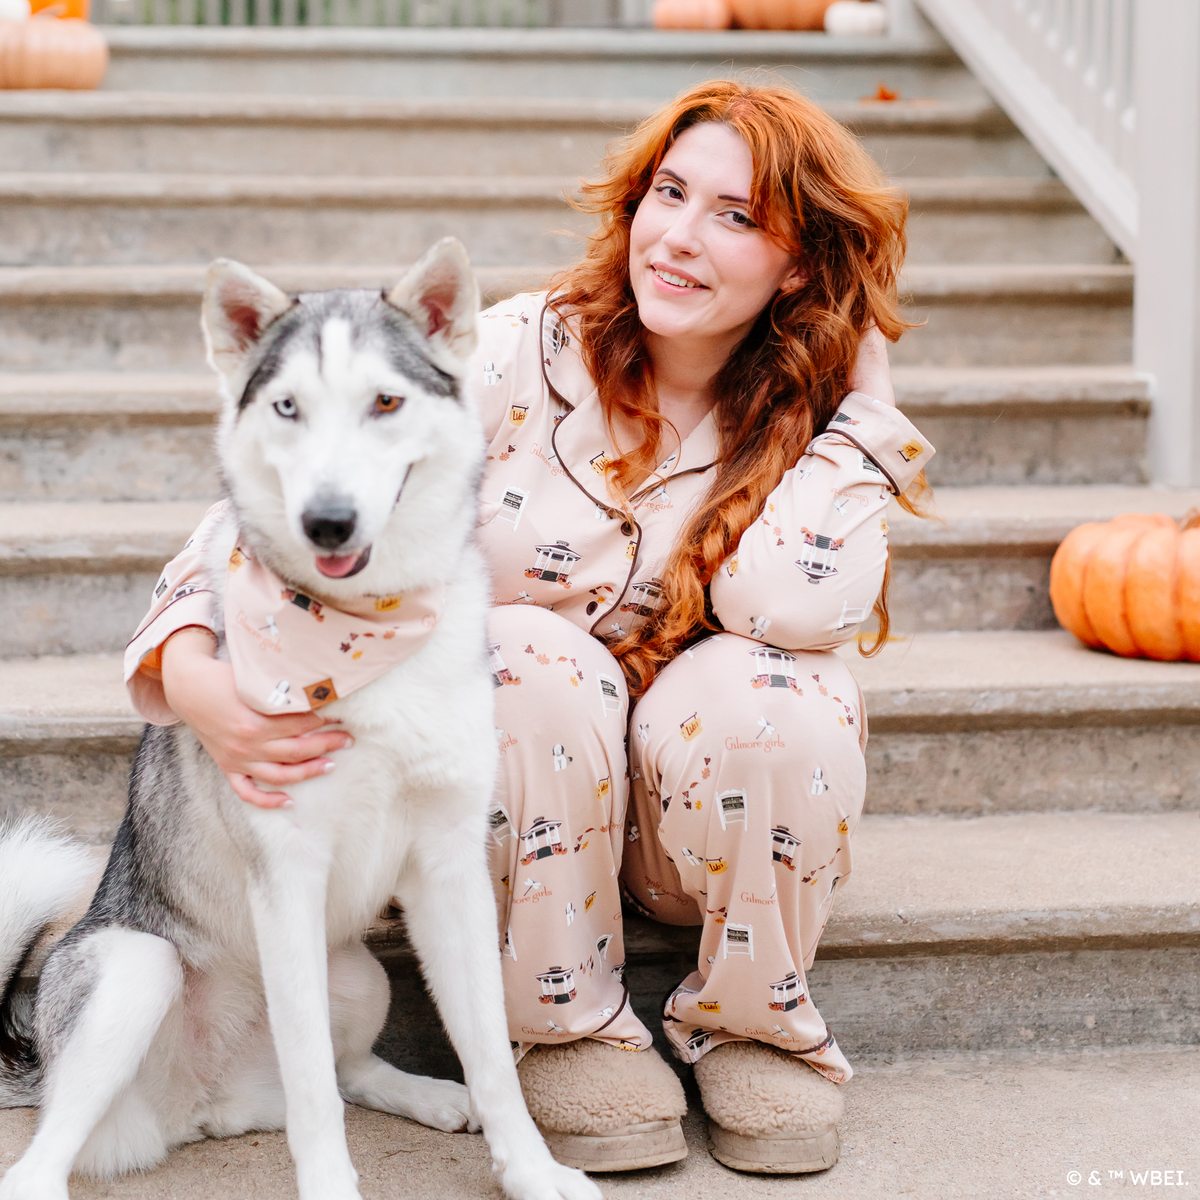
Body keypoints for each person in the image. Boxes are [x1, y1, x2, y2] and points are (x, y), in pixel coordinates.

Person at [125, 80, 933, 1175]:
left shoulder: (821, 422)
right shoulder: (516, 354)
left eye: (736, 217)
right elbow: (244, 529)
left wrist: (865, 424)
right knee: (519, 650)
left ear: (798, 264)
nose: (681, 238)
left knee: (775, 688)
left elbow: (789, 608)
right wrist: (200, 686)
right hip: (525, 814)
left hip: (703, 827)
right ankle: (570, 1028)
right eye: (670, 194)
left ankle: (756, 1025)